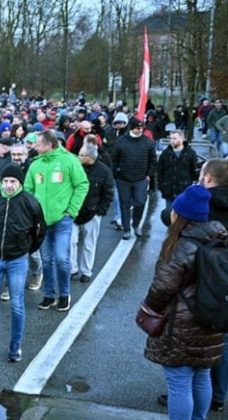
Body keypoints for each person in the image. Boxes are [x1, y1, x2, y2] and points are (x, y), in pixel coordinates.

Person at [142, 184, 227, 420]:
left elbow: (163, 287)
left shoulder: (181, 245)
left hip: (180, 326)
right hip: (211, 319)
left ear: (180, 214)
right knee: (201, 375)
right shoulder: (219, 238)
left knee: (179, 382)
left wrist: (148, 310)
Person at [0, 164, 45, 365]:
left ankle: (15, 346)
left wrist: (25, 249)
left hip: (17, 260)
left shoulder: (30, 203)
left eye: (13, 181)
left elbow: (39, 232)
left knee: (17, 305)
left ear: (20, 183)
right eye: (5, 181)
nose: (9, 185)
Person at [24, 130, 89, 312]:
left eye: (38, 144)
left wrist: (71, 211)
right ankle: (49, 295)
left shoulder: (69, 161)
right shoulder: (35, 165)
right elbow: (28, 189)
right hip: (42, 222)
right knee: (46, 260)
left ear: (49, 145)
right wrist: (33, 212)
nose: (35, 147)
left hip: (63, 220)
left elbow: (82, 185)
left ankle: (64, 295)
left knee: (61, 258)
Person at [70, 144, 114, 283]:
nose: (79, 157)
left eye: (82, 155)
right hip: (74, 211)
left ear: (90, 157)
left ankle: (86, 271)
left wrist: (100, 211)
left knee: (90, 243)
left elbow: (108, 193)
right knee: (71, 241)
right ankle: (72, 268)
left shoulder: (104, 171)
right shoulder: (75, 167)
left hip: (92, 212)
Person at [110, 118, 157, 240]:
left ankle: (136, 224)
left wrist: (149, 174)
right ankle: (126, 229)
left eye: (142, 128)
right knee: (124, 204)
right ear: (132, 128)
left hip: (141, 178)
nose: (140, 130)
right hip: (123, 178)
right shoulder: (121, 142)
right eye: (137, 128)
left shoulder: (147, 142)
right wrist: (116, 173)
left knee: (140, 202)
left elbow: (153, 159)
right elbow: (114, 159)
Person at [157, 129, 199, 211]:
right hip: (169, 190)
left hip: (184, 190)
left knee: (184, 216)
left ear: (182, 139)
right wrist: (161, 187)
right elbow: (160, 171)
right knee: (170, 216)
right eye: (171, 138)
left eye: (174, 138)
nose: (171, 141)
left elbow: (194, 172)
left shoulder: (190, 153)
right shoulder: (165, 153)